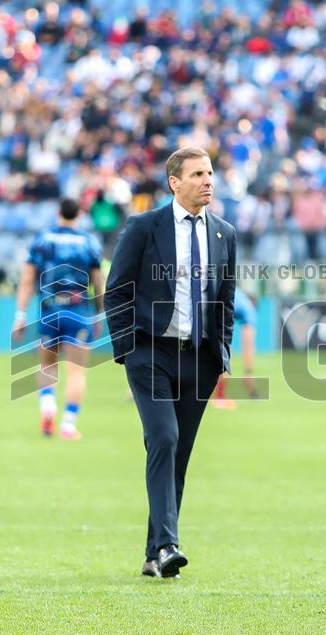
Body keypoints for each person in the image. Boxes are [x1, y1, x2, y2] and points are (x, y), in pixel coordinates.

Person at [104, 147, 237, 579]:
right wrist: (127, 350)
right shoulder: (145, 227)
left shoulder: (224, 234)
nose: (208, 181)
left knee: (177, 454)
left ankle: (152, 554)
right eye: (198, 174)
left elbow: (226, 301)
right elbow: (117, 290)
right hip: (150, 354)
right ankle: (168, 546)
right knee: (163, 437)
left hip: (199, 359)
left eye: (211, 173)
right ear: (174, 183)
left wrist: (221, 357)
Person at [12, 197, 105, 440]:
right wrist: (100, 314)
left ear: (58, 213)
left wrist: (20, 314)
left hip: (49, 311)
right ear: (78, 215)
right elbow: (98, 282)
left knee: (47, 366)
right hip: (79, 312)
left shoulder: (42, 240)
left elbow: (27, 279)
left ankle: (47, 404)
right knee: (76, 372)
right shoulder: (88, 242)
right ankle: (68, 424)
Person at [210, 289, 258, 409]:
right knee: (223, 353)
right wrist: (248, 372)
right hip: (216, 309)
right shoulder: (248, 308)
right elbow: (248, 343)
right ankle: (219, 398)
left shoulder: (238, 296)